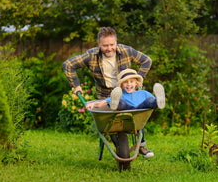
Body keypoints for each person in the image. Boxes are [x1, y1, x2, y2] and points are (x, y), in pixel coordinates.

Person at [63, 26, 154, 158]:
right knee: (110, 121)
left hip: (126, 92)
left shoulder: (126, 51)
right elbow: (68, 65)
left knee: (138, 109)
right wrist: (76, 85)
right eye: (105, 45)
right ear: (99, 44)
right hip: (105, 95)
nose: (109, 48)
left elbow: (147, 61)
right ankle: (120, 146)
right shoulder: (91, 55)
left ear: (116, 42)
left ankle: (141, 145)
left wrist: (138, 81)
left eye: (112, 44)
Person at [86, 69, 165, 111]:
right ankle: (116, 104)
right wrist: (93, 104)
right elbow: (102, 103)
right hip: (127, 110)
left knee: (149, 100)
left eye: (131, 82)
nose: (128, 84)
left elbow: (150, 103)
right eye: (125, 82)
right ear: (121, 85)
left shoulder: (143, 93)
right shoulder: (119, 94)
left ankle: (159, 101)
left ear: (136, 84)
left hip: (141, 109)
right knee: (121, 102)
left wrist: (156, 104)